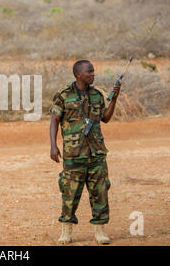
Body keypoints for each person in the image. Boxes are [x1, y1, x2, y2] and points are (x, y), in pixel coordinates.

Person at [49, 60, 121, 245]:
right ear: (78, 74)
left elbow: (105, 118)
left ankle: (100, 231)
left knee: (100, 192)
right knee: (70, 193)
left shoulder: (97, 95)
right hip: (73, 154)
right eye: (89, 72)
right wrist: (53, 145)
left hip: (96, 153)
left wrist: (114, 98)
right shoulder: (64, 95)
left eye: (93, 71)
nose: (93, 74)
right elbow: (54, 120)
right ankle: (66, 231)